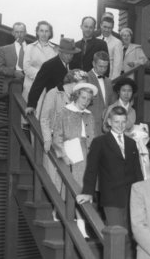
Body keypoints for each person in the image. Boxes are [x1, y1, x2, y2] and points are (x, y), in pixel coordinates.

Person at [76, 106, 143, 258]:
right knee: (116, 235)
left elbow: (137, 171)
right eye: (116, 121)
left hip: (132, 197)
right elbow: (91, 169)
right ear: (110, 122)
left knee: (130, 237)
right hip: (111, 197)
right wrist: (87, 192)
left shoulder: (132, 143)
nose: (120, 125)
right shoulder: (99, 142)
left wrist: (144, 194)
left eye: (123, 121)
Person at [40, 69, 88, 221]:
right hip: (55, 142)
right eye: (81, 85)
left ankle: (61, 212)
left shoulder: (77, 99)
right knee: (54, 178)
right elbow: (44, 118)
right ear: (72, 82)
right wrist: (47, 138)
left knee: (68, 179)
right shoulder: (54, 94)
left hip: (71, 143)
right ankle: (57, 211)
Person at [52, 82, 98, 238]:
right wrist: (63, 155)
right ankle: (79, 223)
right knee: (76, 188)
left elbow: (93, 137)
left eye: (88, 99)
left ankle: (59, 213)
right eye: (83, 97)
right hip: (72, 152)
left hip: (87, 154)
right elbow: (57, 136)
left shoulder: (89, 115)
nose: (85, 101)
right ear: (77, 96)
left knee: (84, 187)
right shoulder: (64, 112)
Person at [102, 77, 150, 180]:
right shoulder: (112, 108)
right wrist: (123, 135)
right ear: (118, 92)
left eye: (129, 91)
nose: (126, 94)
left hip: (129, 146)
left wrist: (141, 133)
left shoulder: (132, 111)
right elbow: (105, 128)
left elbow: (130, 128)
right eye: (123, 90)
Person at [25, 38, 80, 116]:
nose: (70, 56)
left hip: (73, 108)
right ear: (60, 52)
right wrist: (31, 105)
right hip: (55, 107)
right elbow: (37, 86)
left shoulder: (75, 65)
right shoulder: (49, 65)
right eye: (67, 54)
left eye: (72, 54)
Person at [22, 21, 58, 118]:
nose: (44, 33)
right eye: (41, 31)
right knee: (29, 116)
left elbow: (55, 70)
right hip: (31, 84)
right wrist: (42, 76)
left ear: (50, 33)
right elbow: (26, 67)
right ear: (37, 32)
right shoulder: (30, 47)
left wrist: (46, 78)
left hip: (47, 87)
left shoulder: (54, 50)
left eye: (46, 31)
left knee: (43, 115)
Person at [87, 51, 116, 136]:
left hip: (104, 127)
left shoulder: (109, 82)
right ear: (93, 63)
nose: (103, 69)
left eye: (105, 67)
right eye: (100, 66)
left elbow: (110, 104)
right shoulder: (85, 78)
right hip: (89, 125)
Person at [0, 22, 27, 92]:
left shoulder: (32, 50)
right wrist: (13, 72)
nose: (19, 34)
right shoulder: (4, 49)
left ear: (25, 33)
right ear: (13, 33)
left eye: (21, 32)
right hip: (10, 88)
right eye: (17, 32)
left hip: (28, 89)